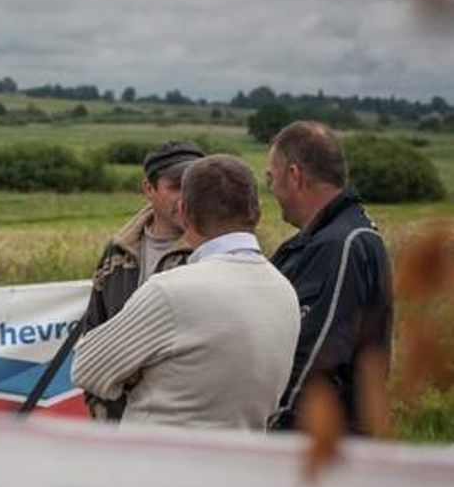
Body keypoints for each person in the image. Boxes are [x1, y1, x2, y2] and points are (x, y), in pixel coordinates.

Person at [73, 155, 300, 430]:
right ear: (258, 212)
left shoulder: (170, 292)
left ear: (183, 212)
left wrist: (142, 369)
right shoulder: (285, 291)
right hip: (241, 465)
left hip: (159, 464)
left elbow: (86, 368)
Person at [266, 121, 393, 433]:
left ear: (294, 175)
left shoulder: (340, 246)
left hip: (313, 443)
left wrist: (275, 432)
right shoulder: (344, 234)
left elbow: (315, 358)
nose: (271, 190)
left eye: (272, 178)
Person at [78, 140, 205, 419]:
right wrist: (99, 406)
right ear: (147, 188)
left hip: (180, 421)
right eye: (175, 186)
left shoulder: (212, 253)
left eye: (194, 187)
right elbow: (93, 331)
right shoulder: (117, 252)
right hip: (117, 420)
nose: (186, 197)